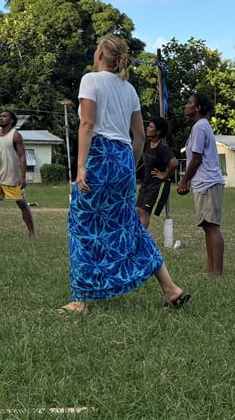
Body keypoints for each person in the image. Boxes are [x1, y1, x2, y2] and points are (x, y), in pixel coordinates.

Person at [58, 36, 189, 314]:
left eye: (96, 49)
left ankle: (80, 299)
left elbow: (87, 123)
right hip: (124, 160)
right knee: (128, 225)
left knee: (82, 227)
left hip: (99, 156)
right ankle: (170, 288)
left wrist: (82, 166)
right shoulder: (128, 89)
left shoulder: (90, 80)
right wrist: (127, 166)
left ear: (101, 54)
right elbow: (139, 136)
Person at [176, 92, 225, 276]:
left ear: (197, 108)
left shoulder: (200, 127)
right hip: (203, 183)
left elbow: (196, 159)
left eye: (189, 103)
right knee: (207, 225)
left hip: (208, 183)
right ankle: (210, 268)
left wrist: (184, 180)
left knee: (212, 226)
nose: (186, 106)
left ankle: (217, 271)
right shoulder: (200, 127)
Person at [0, 110, 35, 238]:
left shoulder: (16, 135)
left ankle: (32, 234)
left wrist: (23, 177)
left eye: (4, 116)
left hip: (12, 177)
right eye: (0, 116)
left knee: (21, 204)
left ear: (11, 121)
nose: (1, 118)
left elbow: (22, 156)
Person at [137, 117, 177, 229]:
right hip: (145, 183)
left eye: (151, 127)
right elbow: (144, 156)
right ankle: (137, 237)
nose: (148, 128)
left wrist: (164, 175)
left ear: (158, 131)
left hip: (154, 186)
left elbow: (174, 163)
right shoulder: (147, 143)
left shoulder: (162, 147)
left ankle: (142, 239)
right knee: (137, 211)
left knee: (144, 213)